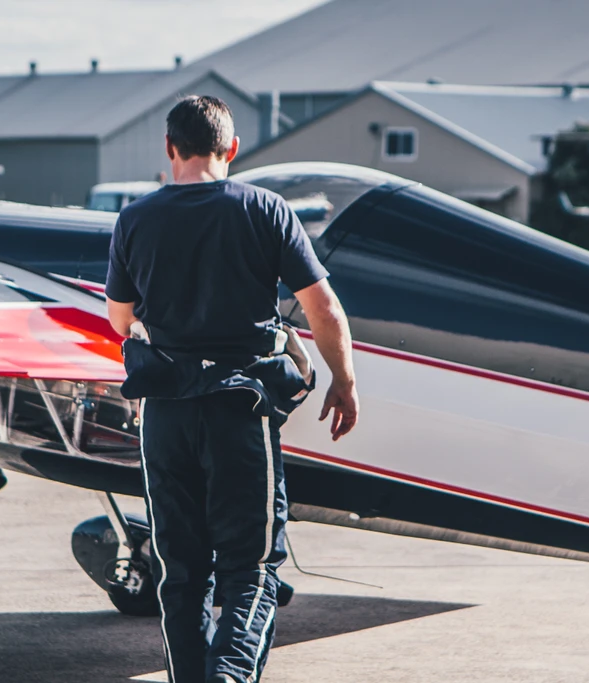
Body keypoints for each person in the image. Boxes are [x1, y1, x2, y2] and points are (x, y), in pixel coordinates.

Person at [105, 94, 360, 683]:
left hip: (166, 416)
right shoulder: (264, 210)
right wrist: (343, 383)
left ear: (170, 149)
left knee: (182, 570)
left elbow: (120, 320)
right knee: (251, 566)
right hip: (240, 413)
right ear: (233, 149)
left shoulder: (135, 219)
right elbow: (322, 309)